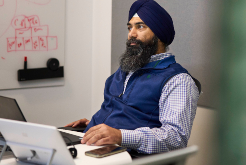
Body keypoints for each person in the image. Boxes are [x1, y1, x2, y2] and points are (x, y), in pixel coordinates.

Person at [65, 0, 199, 154]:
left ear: (159, 34)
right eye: (130, 28)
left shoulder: (178, 80)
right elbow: (126, 112)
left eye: (140, 27)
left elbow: (176, 139)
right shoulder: (129, 67)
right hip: (92, 145)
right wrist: (96, 125)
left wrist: (120, 136)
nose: (131, 34)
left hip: (127, 156)